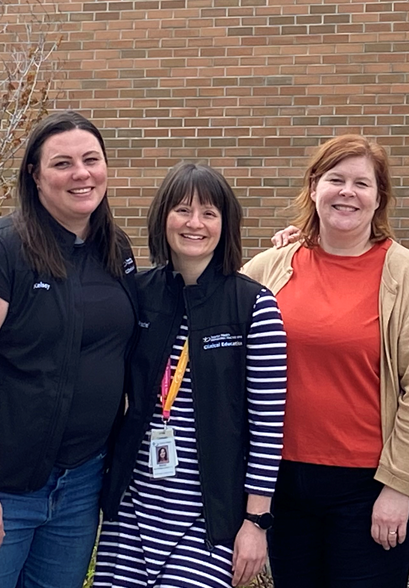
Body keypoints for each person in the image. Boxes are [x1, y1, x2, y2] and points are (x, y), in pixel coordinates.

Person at [0, 111, 139, 588]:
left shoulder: (114, 249)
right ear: (36, 176)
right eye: (63, 163)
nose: (81, 174)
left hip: (79, 484)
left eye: (92, 159)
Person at [242, 134, 409, 587]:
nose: (347, 192)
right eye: (335, 179)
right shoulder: (271, 266)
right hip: (284, 483)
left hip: (368, 487)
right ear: (314, 187)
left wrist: (398, 487)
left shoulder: (404, 272)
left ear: (379, 199)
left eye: (362, 183)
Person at [95, 163, 286, 588]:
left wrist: (256, 522)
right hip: (131, 512)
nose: (194, 223)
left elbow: (268, 426)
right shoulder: (138, 295)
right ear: (163, 217)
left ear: (226, 224)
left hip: (207, 521)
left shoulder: (254, 306)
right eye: (182, 210)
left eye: (209, 213)